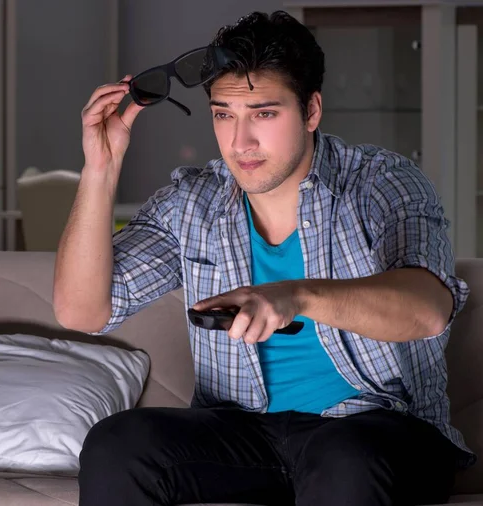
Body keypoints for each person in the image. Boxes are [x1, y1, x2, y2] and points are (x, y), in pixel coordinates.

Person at [53, 10, 476, 506]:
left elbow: (426, 310)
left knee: (346, 459)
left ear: (311, 111)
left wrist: (292, 297)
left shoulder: (382, 185)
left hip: (378, 428)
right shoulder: (193, 203)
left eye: (264, 114)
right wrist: (100, 167)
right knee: (116, 444)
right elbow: (82, 312)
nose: (241, 142)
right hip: (242, 430)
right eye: (223, 115)